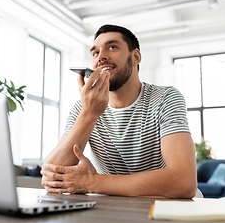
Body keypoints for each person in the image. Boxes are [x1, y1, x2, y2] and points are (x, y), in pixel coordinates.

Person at [41, 24, 197, 198]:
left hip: (159, 209)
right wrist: (89, 114)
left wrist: (92, 183)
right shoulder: (83, 108)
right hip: (111, 210)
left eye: (112, 47)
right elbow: (51, 178)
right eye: (95, 53)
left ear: (136, 56)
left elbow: (184, 181)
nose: (101, 57)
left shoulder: (165, 98)